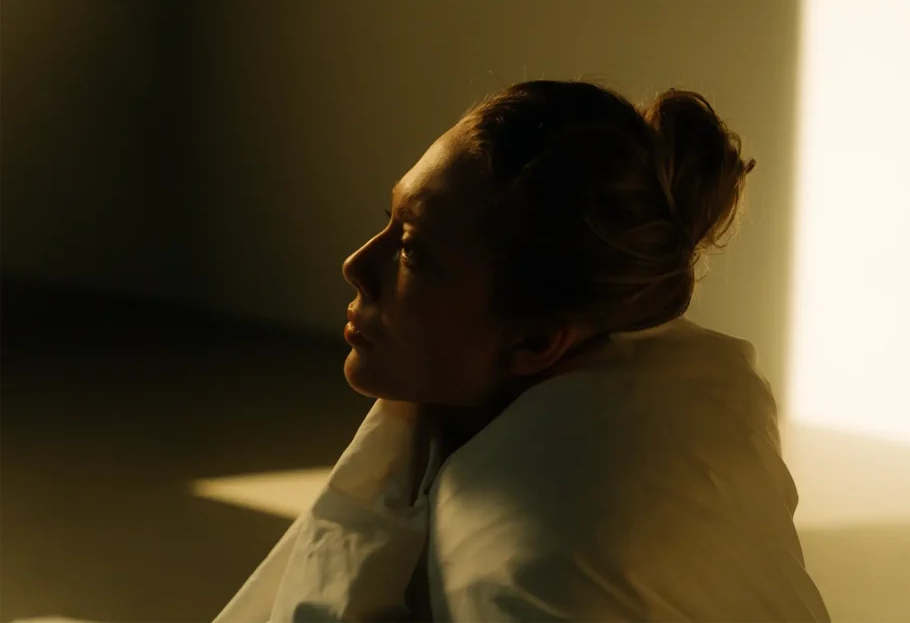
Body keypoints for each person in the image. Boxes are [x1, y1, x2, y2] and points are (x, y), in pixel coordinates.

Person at [213, 79, 830, 622]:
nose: (356, 265)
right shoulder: (694, 410)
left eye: (411, 252)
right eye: (389, 221)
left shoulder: (544, 559)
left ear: (536, 340)